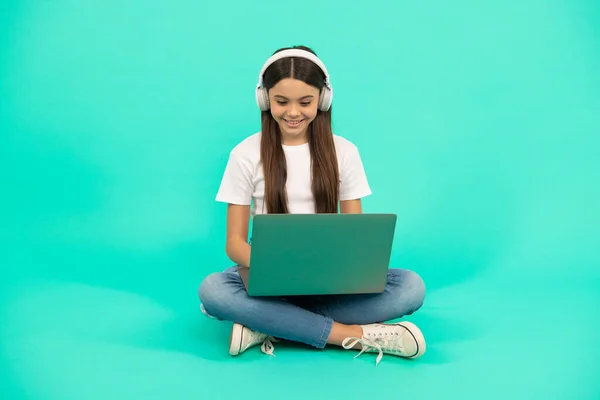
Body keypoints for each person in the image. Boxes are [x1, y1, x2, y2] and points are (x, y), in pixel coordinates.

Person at [198, 45, 427, 366]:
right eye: (281, 101)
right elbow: (235, 244)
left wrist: (343, 270)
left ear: (323, 99)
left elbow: (354, 236)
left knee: (410, 287)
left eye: (305, 102)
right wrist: (278, 267)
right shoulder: (245, 154)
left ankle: (269, 326)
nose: (293, 112)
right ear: (264, 99)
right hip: (267, 277)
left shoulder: (344, 152)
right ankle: (355, 335)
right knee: (214, 290)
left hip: (328, 281)